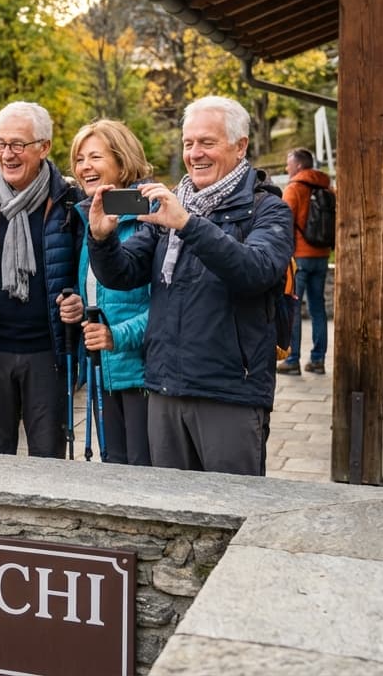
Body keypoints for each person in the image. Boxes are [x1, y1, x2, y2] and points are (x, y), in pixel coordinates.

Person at [85, 96, 294, 476]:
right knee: (172, 516)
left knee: (231, 511)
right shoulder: (172, 206)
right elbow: (124, 273)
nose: (195, 153)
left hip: (229, 393)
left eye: (207, 143)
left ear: (240, 145)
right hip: (166, 389)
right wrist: (102, 240)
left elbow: (256, 271)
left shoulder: (268, 209)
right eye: (188, 143)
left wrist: (188, 224)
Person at [0, 101, 82, 458]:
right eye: (1, 144)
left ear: (44, 147)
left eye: (18, 145)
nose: (8, 154)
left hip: (48, 352)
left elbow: (87, 267)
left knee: (48, 458)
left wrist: (79, 299)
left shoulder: (70, 200)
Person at [69, 119, 152, 466]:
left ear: (122, 159)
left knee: (144, 473)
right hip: (104, 371)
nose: (84, 167)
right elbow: (97, 293)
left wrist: (116, 335)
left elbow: (165, 305)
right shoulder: (92, 219)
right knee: (114, 468)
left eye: (95, 157)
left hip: (143, 373)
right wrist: (77, 303)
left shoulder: (152, 215)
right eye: (79, 159)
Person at [278, 147, 332, 375]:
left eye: (289, 163)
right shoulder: (327, 188)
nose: (286, 168)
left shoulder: (294, 189)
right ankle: (318, 360)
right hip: (321, 255)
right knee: (318, 307)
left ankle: (292, 359)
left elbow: (283, 224)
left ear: (299, 165)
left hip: (299, 256)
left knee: (293, 308)